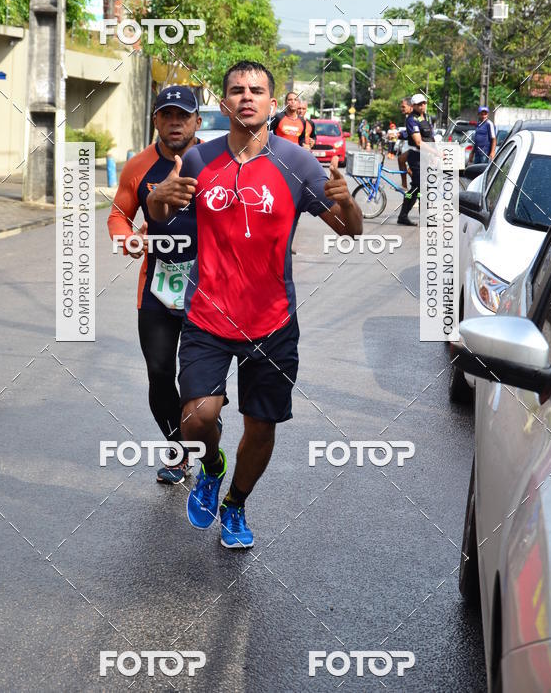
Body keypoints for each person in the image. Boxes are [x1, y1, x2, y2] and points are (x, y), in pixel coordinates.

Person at [148, 59, 362, 548]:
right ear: (224, 102)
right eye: (237, 90)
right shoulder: (199, 161)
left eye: (257, 90)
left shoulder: (300, 164)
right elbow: (161, 216)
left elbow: (350, 230)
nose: (247, 96)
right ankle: (210, 466)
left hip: (272, 323)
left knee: (261, 426)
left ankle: (235, 505)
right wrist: (159, 198)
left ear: (272, 102)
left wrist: (347, 202)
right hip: (207, 314)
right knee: (197, 417)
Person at [107, 86, 203, 484]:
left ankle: (203, 428)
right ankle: (178, 450)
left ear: (197, 121)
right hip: (157, 287)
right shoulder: (138, 167)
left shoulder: (215, 161)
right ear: (156, 120)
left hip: (208, 286)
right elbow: (117, 216)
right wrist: (126, 240)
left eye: (183, 115)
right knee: (160, 374)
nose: (175, 122)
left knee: (198, 380)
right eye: (167, 114)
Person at [397, 92, 435, 226]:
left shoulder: (427, 118)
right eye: (419, 104)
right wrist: (436, 153)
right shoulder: (411, 119)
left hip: (426, 157)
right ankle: (424, 219)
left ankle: (403, 215)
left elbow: (430, 138)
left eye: (424, 103)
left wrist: (432, 154)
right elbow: (418, 142)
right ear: (413, 106)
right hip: (416, 158)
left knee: (416, 189)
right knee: (422, 188)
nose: (423, 106)